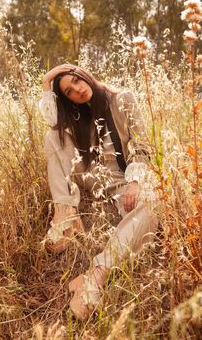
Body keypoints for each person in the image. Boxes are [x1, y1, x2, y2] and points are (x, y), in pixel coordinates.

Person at [38, 64, 158, 321]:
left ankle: (96, 275)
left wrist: (136, 182)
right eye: (69, 92)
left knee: (150, 203)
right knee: (53, 137)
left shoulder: (121, 98)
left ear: (84, 75)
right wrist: (48, 82)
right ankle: (66, 215)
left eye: (76, 82)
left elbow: (142, 144)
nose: (77, 91)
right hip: (90, 175)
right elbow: (51, 120)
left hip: (121, 180)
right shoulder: (76, 114)